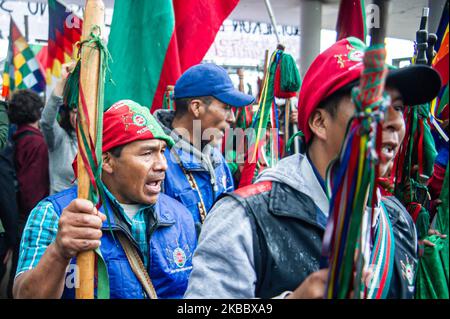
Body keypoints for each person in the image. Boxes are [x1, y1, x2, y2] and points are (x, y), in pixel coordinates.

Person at [184, 37, 442, 299]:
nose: (394, 122)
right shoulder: (245, 218)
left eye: (398, 108)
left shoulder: (399, 222)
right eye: (372, 104)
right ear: (319, 122)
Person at [13, 100, 197, 299]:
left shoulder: (181, 217)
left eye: (162, 151)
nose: (163, 165)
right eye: (147, 153)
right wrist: (59, 251)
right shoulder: (55, 215)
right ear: (108, 161)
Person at [154, 63, 255, 232]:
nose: (231, 118)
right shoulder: (157, 159)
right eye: (227, 108)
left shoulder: (217, 160)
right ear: (196, 107)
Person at [40, 62, 78, 194]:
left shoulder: (97, 142)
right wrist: (62, 80)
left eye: (81, 112)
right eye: (74, 111)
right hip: (60, 209)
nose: (77, 116)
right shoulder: (60, 139)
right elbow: (46, 122)